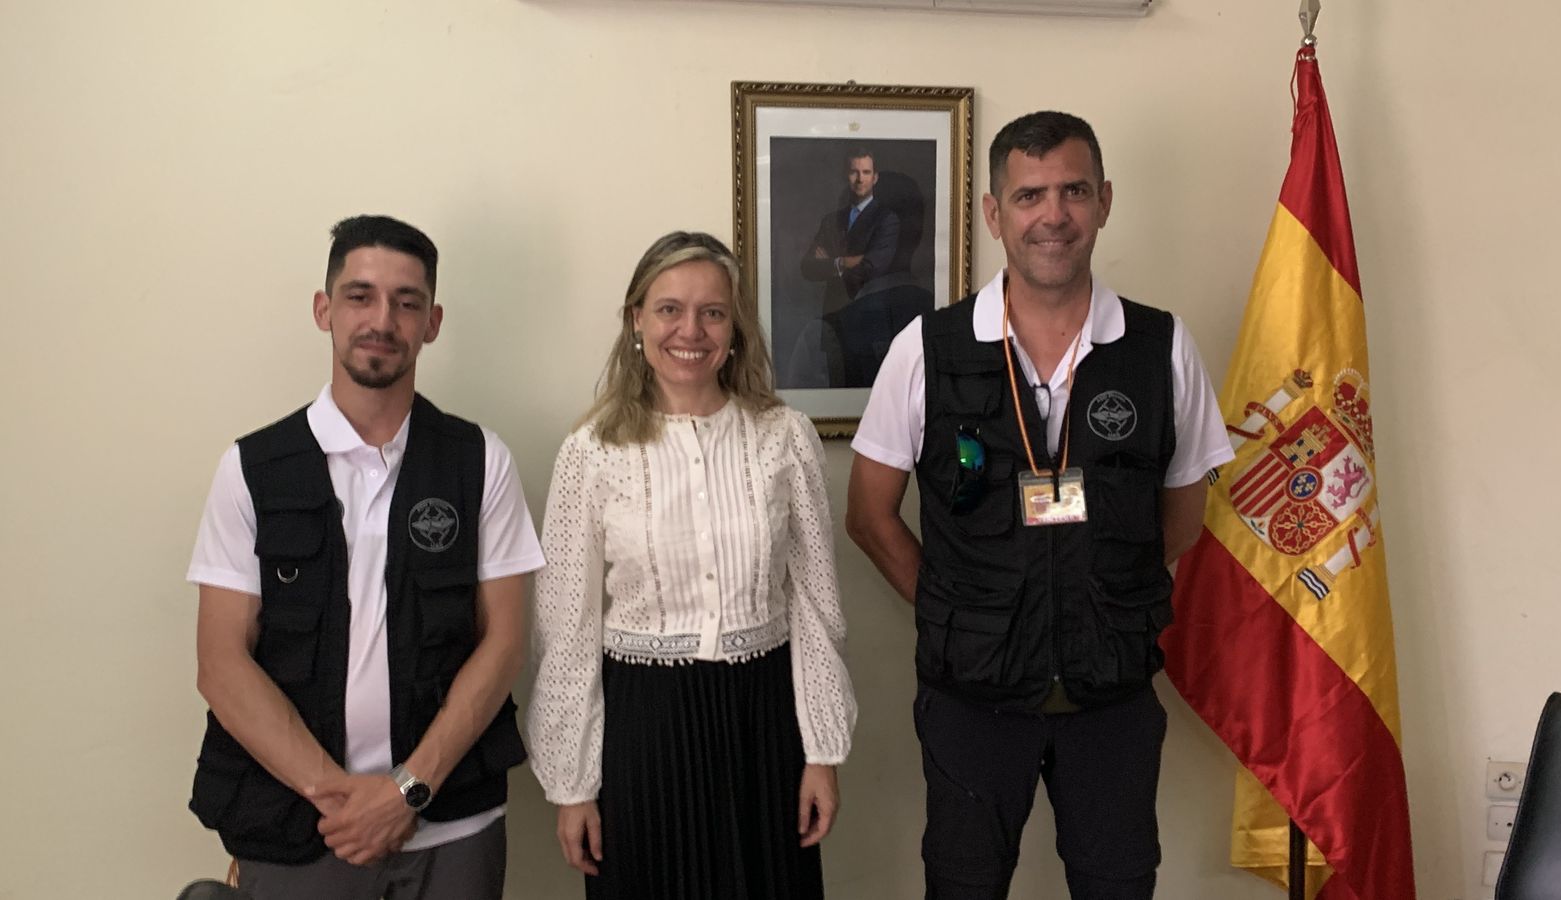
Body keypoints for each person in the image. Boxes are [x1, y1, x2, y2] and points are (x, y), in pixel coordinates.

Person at [845, 112, 1235, 899]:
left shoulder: (1161, 348)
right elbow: (869, 514)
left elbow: (1185, 516)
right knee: (963, 886)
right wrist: (965, 611)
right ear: (995, 214)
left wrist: (1096, 596)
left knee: (1118, 885)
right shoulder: (926, 348)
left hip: (1113, 696)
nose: (1052, 215)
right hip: (972, 700)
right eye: (1029, 196)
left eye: (1073, 191)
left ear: (1104, 202)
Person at [187, 215, 544, 900]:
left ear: (432, 322)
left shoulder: (479, 462)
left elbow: (502, 647)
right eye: (360, 296)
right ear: (324, 310)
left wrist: (406, 791)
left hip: (453, 826)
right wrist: (346, 799)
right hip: (303, 828)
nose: (382, 319)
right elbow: (221, 664)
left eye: (407, 302)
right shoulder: (252, 468)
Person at [528, 231, 857, 899]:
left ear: (734, 325)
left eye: (712, 311)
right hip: (643, 731)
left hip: (764, 726)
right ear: (636, 321)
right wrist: (572, 785)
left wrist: (821, 751)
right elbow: (565, 630)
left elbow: (816, 606)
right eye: (669, 308)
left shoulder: (783, 437)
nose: (691, 330)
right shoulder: (591, 453)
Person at [799, 148, 901, 315]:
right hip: (832, 315)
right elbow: (808, 267)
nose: (860, 179)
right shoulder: (831, 220)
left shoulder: (887, 220)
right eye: (854, 172)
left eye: (866, 172)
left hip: (868, 314)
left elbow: (872, 269)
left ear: (875, 178)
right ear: (846, 176)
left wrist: (830, 263)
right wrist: (843, 262)